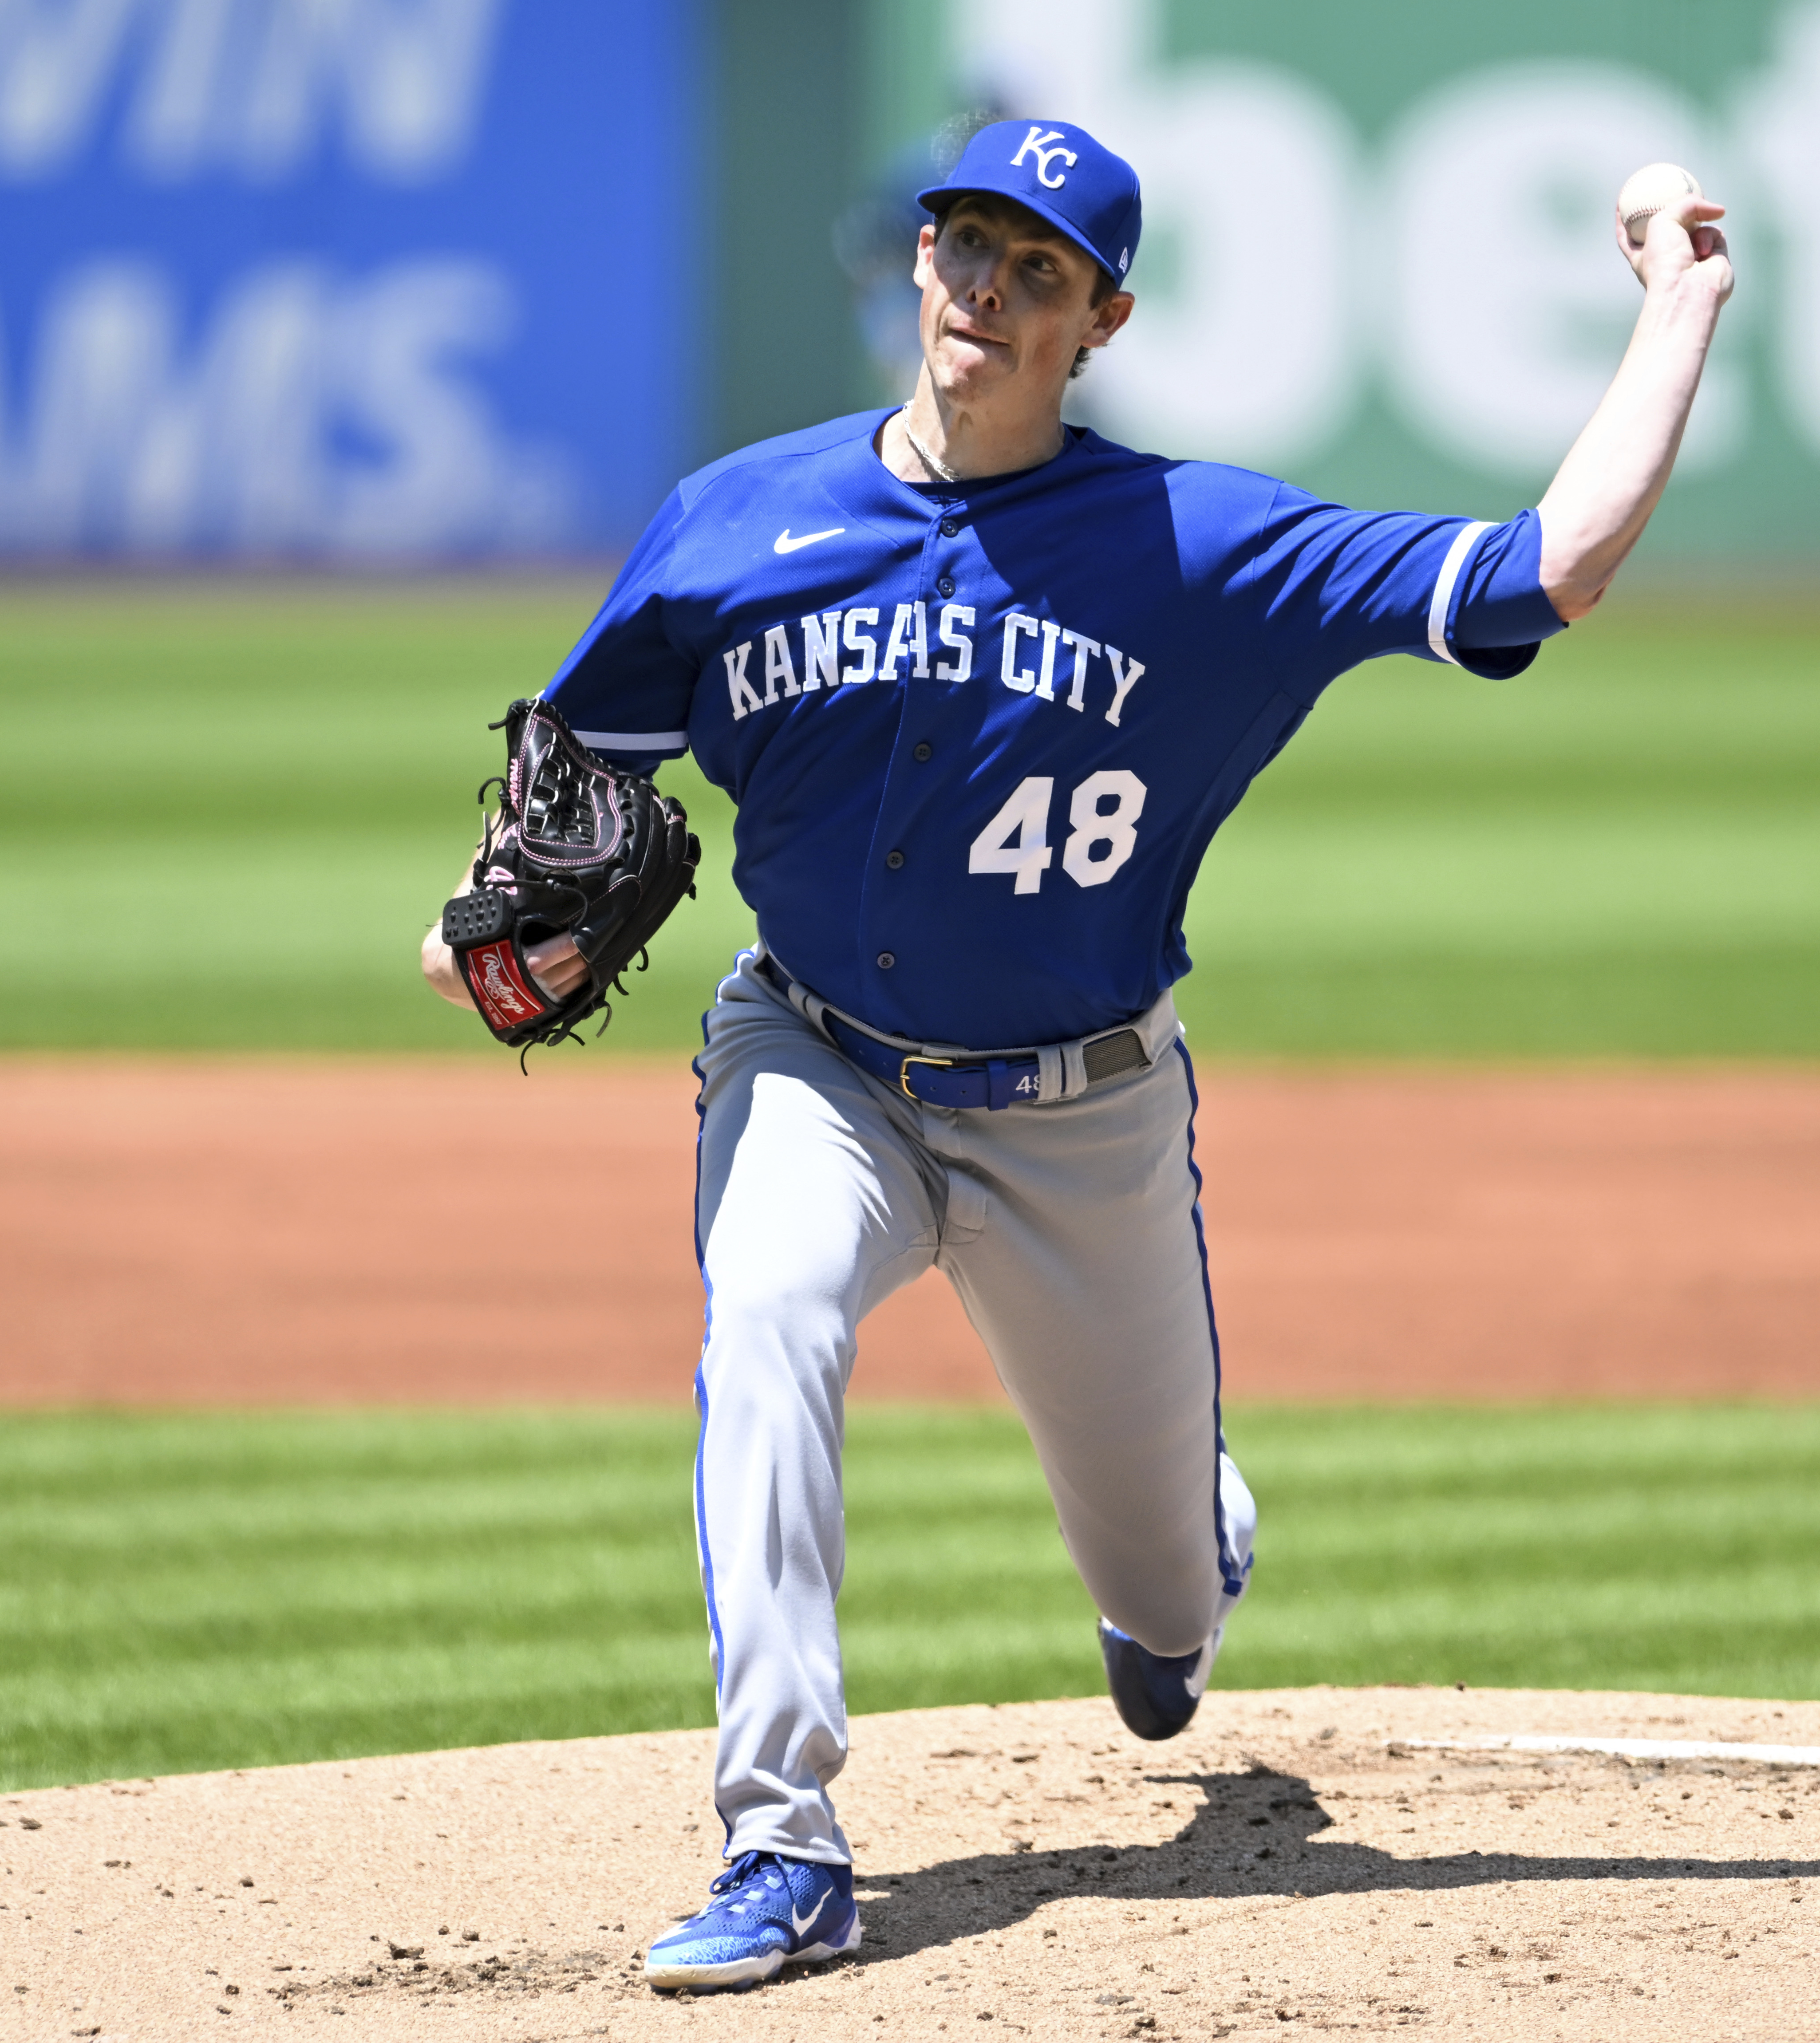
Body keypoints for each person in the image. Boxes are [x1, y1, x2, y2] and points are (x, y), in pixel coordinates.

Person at [418, 118, 1732, 1993]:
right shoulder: (734, 519)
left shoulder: (1197, 546)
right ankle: (780, 1838)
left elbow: (1549, 569)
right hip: (814, 1057)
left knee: (1162, 1615)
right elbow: (575, 775)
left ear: (1098, 318)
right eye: (965, 247)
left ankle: (1188, 1545)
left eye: (1038, 271)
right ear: (919, 265)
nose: (986, 291)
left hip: (1084, 1117)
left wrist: (1677, 306)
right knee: (767, 1314)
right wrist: (470, 913)